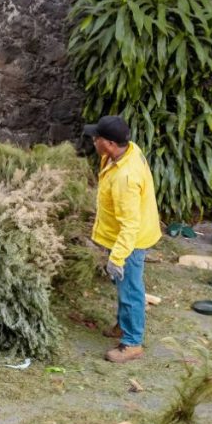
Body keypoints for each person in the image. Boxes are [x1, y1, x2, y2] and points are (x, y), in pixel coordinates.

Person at [86, 115, 162, 363]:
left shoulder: (125, 178)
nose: (93, 142)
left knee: (130, 289)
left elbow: (130, 225)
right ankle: (123, 324)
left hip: (130, 242)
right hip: (125, 235)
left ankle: (132, 343)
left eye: (96, 139)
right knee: (124, 287)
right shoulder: (126, 151)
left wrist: (117, 258)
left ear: (108, 143)